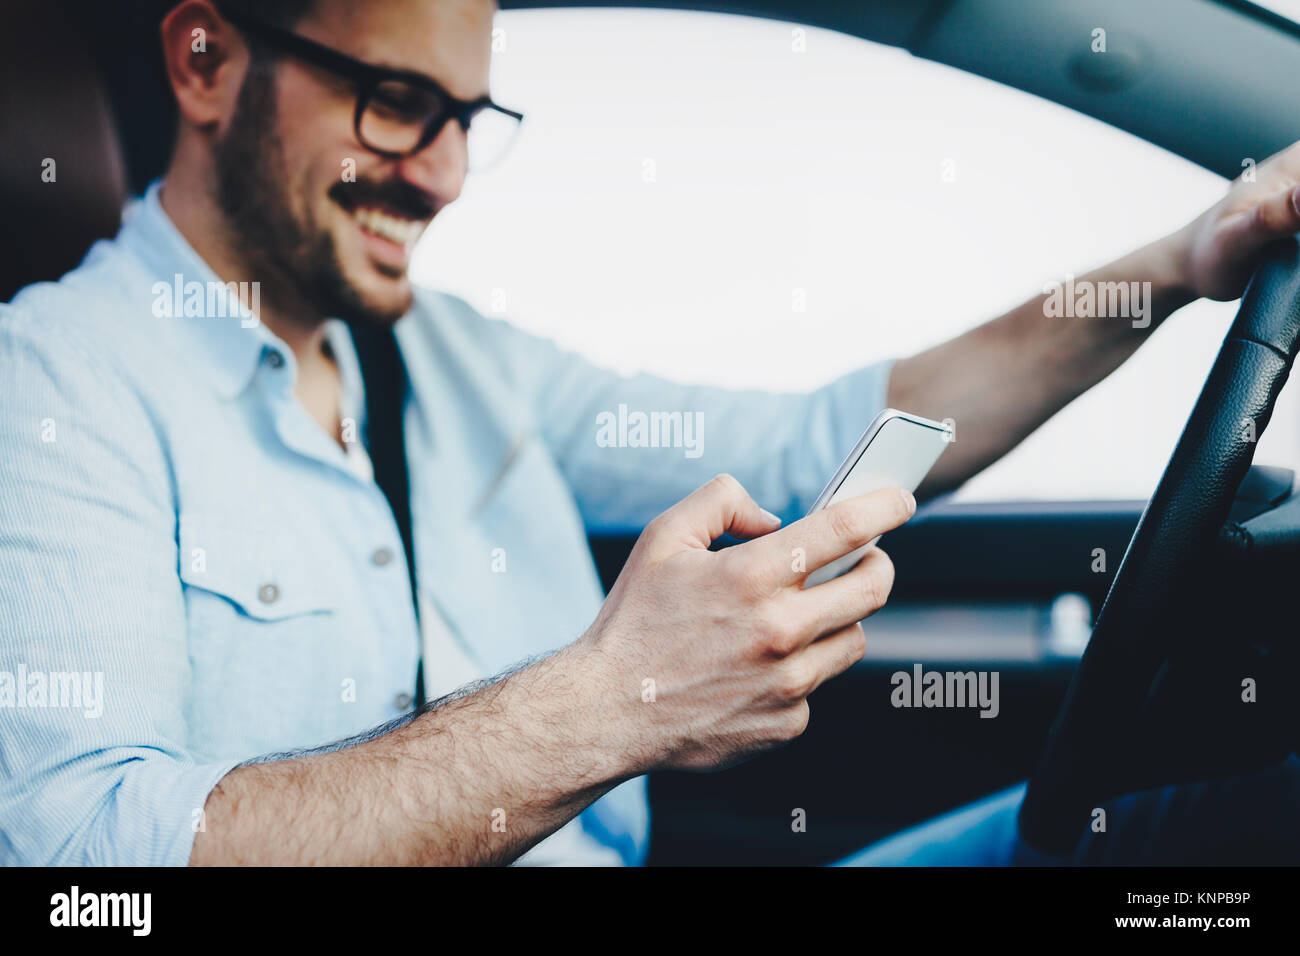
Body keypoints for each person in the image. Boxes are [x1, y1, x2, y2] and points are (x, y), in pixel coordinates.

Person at [3, 0, 1300, 866]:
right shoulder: (54, 389)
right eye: (396, 102)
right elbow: (82, 866)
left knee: (1188, 834)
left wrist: (1181, 264)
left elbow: (816, 443)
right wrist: (617, 700)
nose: (443, 176)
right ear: (205, 63)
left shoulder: (447, 355)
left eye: (467, 122)